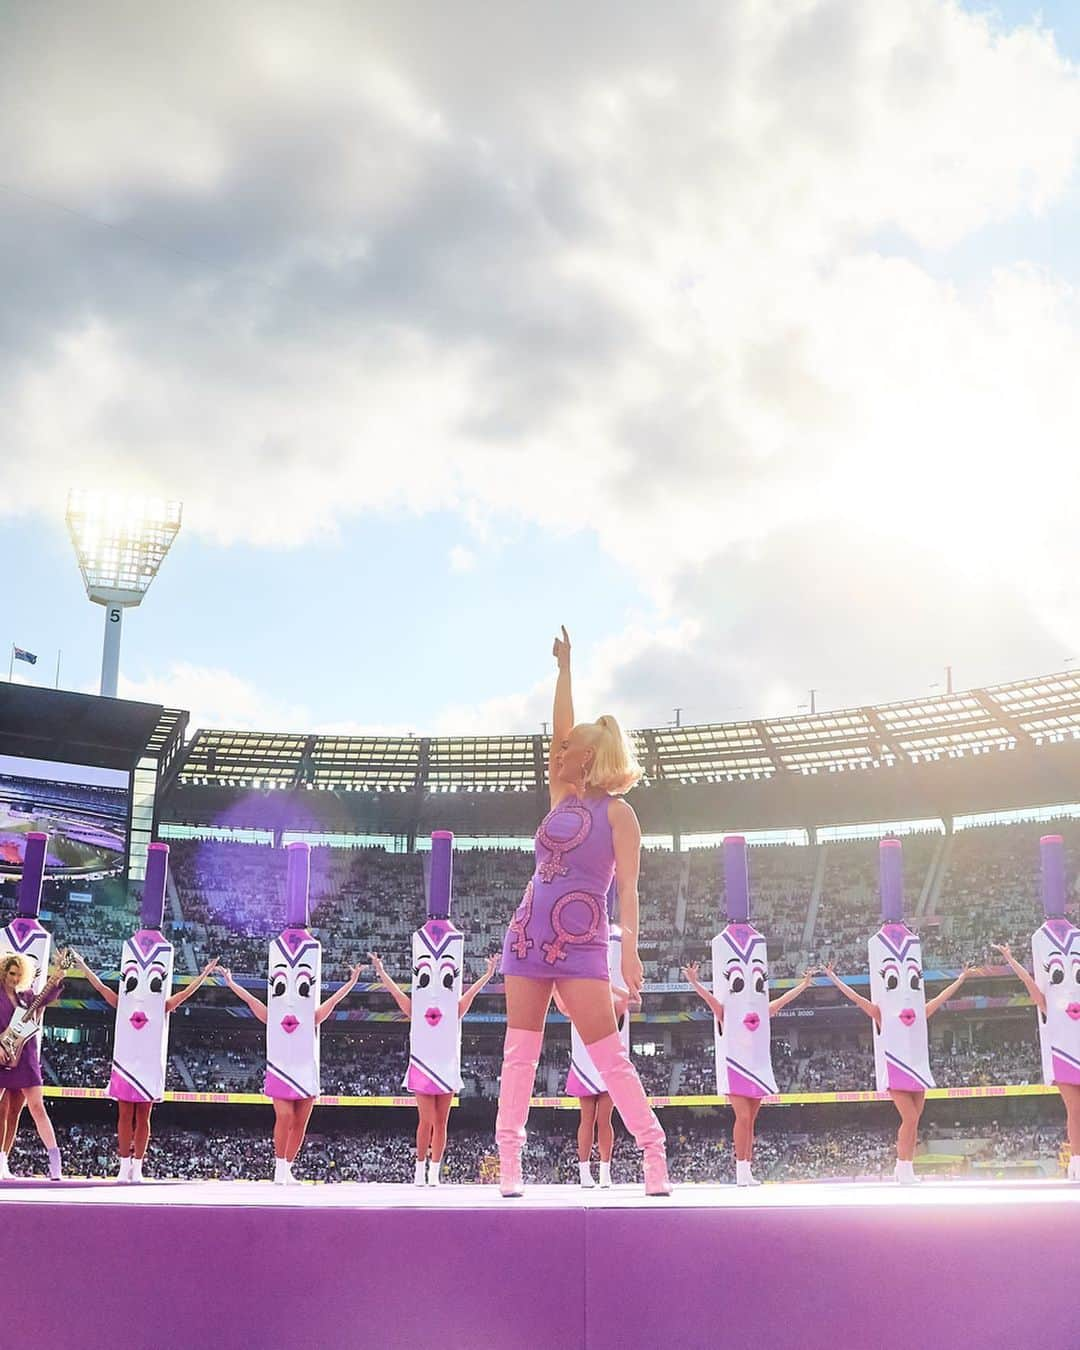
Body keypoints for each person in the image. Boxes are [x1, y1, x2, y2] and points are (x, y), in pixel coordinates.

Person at [496, 626, 672, 1197]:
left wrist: (632, 954)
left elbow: (629, 891)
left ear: (589, 756)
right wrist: (564, 671)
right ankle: (511, 1163)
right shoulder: (560, 797)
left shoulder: (621, 815)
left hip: (583, 942)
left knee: (611, 1057)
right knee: (517, 1057)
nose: (560, 750)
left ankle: (653, 1152)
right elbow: (557, 730)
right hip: (527, 934)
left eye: (570, 746)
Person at [68, 949, 220, 1181]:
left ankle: (137, 1166)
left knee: (143, 1118)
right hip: (125, 1063)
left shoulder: (163, 1005)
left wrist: (205, 974)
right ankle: (123, 1165)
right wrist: (81, 964)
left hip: (149, 1065)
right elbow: (99, 986)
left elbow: (187, 993)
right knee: (124, 1116)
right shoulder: (122, 1002)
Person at [822, 960, 971, 1181]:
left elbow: (941, 998)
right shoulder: (882, 1014)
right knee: (909, 1118)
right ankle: (902, 1167)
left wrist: (961, 977)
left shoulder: (920, 1012)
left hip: (918, 1071)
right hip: (895, 1072)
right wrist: (833, 977)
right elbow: (855, 998)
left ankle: (907, 1167)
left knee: (914, 1122)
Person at [221, 962, 364, 1183]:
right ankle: (279, 1167)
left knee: (300, 1124)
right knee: (285, 1116)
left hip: (306, 1073)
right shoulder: (272, 1015)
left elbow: (334, 1000)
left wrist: (352, 981)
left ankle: (287, 1168)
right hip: (279, 1070)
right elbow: (250, 1000)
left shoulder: (313, 1017)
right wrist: (230, 983)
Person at [370, 950, 497, 1184]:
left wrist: (488, 973)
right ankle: (419, 1169)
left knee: (441, 1123)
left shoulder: (456, 1009)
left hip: (447, 1069)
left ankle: (434, 1172)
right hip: (422, 1067)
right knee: (426, 1120)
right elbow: (395, 992)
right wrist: (380, 971)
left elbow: (472, 992)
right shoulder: (414, 1009)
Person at [683, 960, 814, 1184]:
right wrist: (694, 982)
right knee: (742, 1117)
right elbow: (709, 999)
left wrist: (804, 984)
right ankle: (740, 1170)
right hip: (735, 1067)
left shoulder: (763, 1010)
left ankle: (747, 1170)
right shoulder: (726, 1012)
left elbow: (784, 1000)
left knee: (751, 1122)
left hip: (758, 1069)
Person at [993, 942, 1080, 1180]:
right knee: (1074, 1110)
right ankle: (1076, 1161)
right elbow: (1029, 982)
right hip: (1064, 1060)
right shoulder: (1048, 1006)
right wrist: (1010, 959)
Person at [555, 978, 634, 1188]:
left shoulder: (613, 1009)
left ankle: (605, 1172)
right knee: (587, 1119)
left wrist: (604, 983)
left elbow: (629, 998)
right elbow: (561, 1004)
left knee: (604, 1119)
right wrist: (554, 983)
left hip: (607, 1067)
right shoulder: (578, 1006)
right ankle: (584, 1172)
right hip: (585, 1067)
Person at [0, 949, 66, 1180]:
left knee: (37, 1107)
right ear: (3, 972)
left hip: (26, 1056)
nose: (14, 978)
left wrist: (59, 974)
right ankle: (0, 1161)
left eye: (19, 974)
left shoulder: (26, 997)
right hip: (0, 1056)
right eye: (11, 973)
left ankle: (55, 1160)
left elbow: (48, 996)